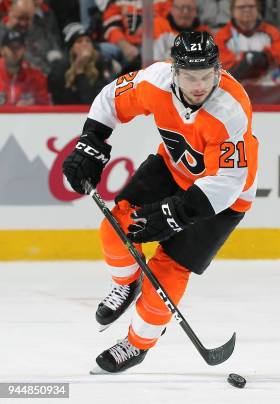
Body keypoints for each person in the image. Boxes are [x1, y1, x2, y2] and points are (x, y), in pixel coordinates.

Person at [61, 31, 258, 373]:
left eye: (206, 76)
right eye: (189, 76)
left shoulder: (231, 110)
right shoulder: (155, 80)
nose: (198, 85)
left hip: (223, 199)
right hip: (172, 167)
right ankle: (126, 284)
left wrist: (174, 214)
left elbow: (227, 183)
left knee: (169, 270)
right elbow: (111, 99)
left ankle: (137, 344)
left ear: (218, 70)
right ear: (174, 71)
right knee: (115, 227)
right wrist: (91, 142)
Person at [214, 0, 280, 82]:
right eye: (241, 7)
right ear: (232, 11)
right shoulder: (222, 36)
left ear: (258, 9)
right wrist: (246, 59)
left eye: (251, 6)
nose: (247, 10)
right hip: (235, 86)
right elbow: (222, 65)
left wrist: (265, 56)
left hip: (267, 86)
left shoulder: (272, 32)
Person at [47, 22, 113, 104]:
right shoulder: (60, 69)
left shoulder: (101, 65)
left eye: (88, 41)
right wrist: (78, 69)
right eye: (79, 41)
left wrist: (80, 72)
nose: (85, 44)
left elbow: (92, 102)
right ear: (71, 48)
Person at [0, 0, 62, 73]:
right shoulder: (2, 34)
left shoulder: (39, 30)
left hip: (43, 77)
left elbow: (54, 48)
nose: (23, 23)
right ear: (10, 12)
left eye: (27, 19)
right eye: (20, 18)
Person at [0, 29, 49, 105]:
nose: (15, 52)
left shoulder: (37, 77)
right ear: (2, 50)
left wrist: (33, 105)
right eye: (11, 48)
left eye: (18, 47)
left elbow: (46, 105)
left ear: (24, 50)